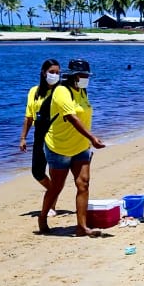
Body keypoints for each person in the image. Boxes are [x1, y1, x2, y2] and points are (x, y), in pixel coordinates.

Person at [42, 58, 106, 237]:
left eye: (87, 75)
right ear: (73, 76)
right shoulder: (62, 91)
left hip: (80, 147)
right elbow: (71, 117)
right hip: (59, 147)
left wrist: (89, 141)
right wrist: (93, 138)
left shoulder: (83, 91)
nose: (86, 78)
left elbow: (84, 116)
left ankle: (82, 226)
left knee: (83, 184)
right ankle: (42, 218)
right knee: (56, 187)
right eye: (83, 75)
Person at [19, 58, 62, 230]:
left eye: (58, 73)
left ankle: (51, 204)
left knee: (53, 168)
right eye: (52, 72)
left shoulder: (61, 91)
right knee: (37, 171)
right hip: (39, 133)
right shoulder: (34, 92)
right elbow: (28, 116)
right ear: (44, 73)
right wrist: (23, 137)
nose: (55, 75)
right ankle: (53, 192)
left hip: (55, 133)